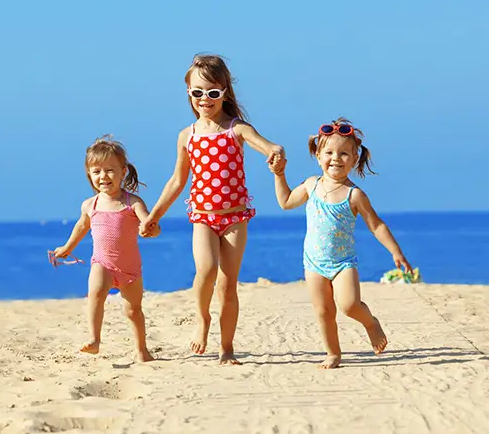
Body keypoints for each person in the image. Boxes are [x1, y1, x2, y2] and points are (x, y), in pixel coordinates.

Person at [139, 54, 284, 365]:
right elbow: (177, 181)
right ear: (189, 93)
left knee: (228, 284)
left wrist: (275, 151)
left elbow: (264, 144)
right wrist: (153, 216)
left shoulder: (236, 128)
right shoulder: (187, 136)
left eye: (213, 93)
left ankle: (227, 348)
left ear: (225, 93)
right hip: (203, 216)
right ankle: (202, 318)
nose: (205, 99)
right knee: (206, 271)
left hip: (235, 217)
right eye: (198, 92)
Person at [269, 118, 413, 369]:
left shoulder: (354, 194)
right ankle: (333, 353)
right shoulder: (311, 185)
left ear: (355, 159)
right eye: (329, 152)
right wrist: (279, 175)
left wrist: (395, 251)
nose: (336, 158)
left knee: (348, 305)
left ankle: (370, 323)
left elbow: (376, 225)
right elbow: (285, 202)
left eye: (344, 153)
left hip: (343, 262)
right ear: (317, 155)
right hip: (313, 262)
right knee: (323, 311)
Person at [52, 135, 160, 362]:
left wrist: (150, 229)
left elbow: (148, 223)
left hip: (129, 268)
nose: (103, 176)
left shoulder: (133, 202)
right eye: (97, 171)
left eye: (110, 170)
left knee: (133, 311)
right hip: (102, 262)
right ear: (90, 175)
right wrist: (67, 247)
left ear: (123, 172)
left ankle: (142, 350)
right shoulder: (90, 205)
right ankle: (95, 339)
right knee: (95, 294)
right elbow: (81, 226)